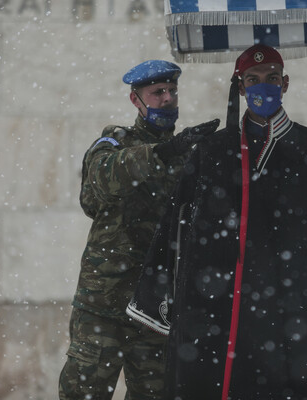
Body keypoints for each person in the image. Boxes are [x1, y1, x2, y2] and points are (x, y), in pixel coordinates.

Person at [127, 45, 307, 400]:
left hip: (301, 308)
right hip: (222, 310)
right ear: (240, 88)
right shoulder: (211, 153)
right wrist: (161, 294)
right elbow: (175, 228)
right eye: (252, 80)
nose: (263, 87)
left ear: (285, 83)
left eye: (271, 78)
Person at [59, 59, 219, 400]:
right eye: (157, 92)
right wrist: (165, 151)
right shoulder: (114, 143)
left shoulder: (188, 157)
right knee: (83, 393)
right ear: (136, 100)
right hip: (105, 306)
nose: (167, 98)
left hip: (155, 309)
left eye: (172, 92)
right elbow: (102, 183)